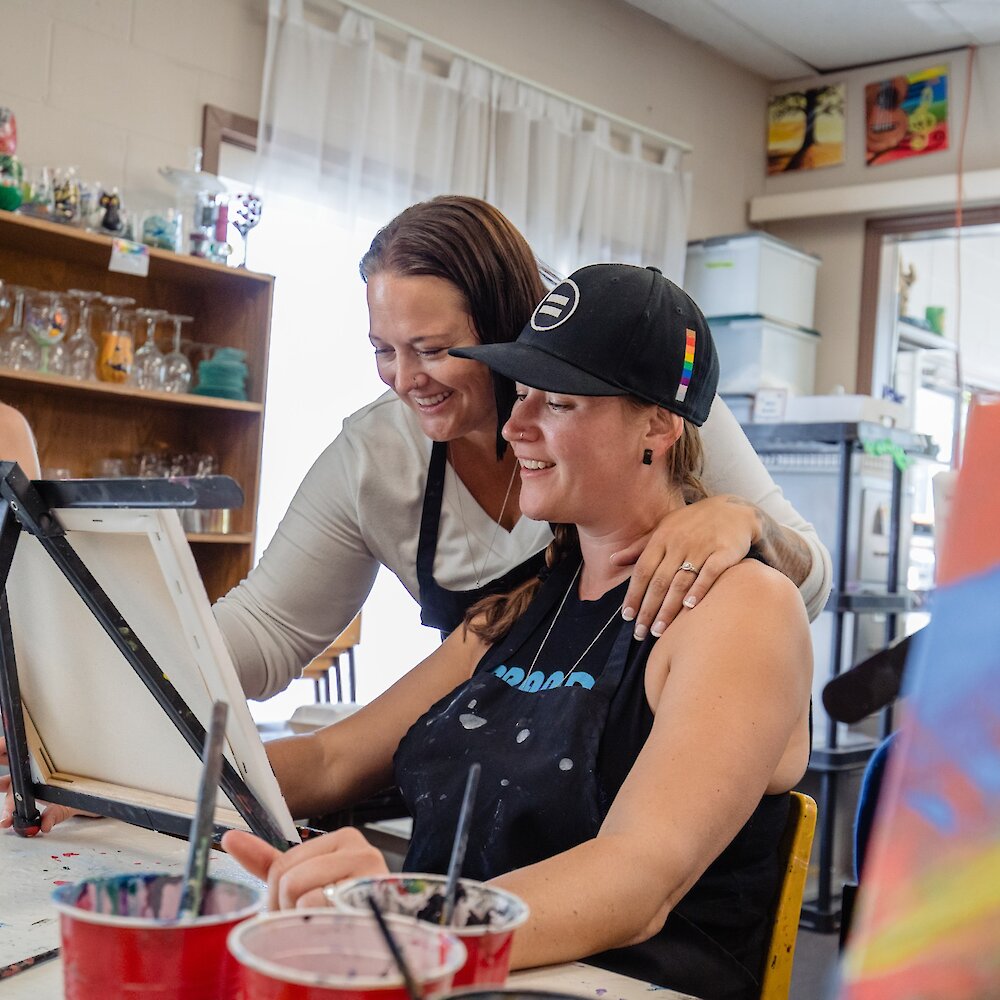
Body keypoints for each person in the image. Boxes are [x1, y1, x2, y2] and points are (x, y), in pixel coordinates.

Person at [222, 264, 813, 1000]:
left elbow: (638, 877)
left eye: (557, 401)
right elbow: (335, 756)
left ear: (658, 424)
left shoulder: (739, 609)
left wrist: (413, 924)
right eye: (521, 392)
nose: (514, 426)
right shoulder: (526, 600)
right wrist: (157, 781)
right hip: (451, 969)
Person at [213, 195, 831, 700]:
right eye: (383, 350)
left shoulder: (641, 409)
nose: (404, 380)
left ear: (510, 328)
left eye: (431, 350)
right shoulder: (377, 454)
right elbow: (268, 630)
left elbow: (806, 586)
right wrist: (142, 656)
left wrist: (745, 525)